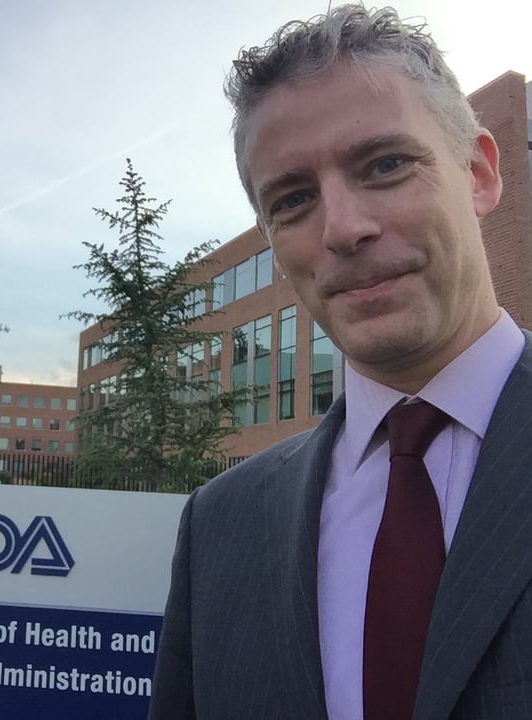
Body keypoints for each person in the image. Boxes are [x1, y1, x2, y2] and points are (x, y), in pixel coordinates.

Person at [149, 5, 532, 719]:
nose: (344, 229)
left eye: (385, 165)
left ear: (479, 174)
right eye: (294, 200)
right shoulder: (219, 527)